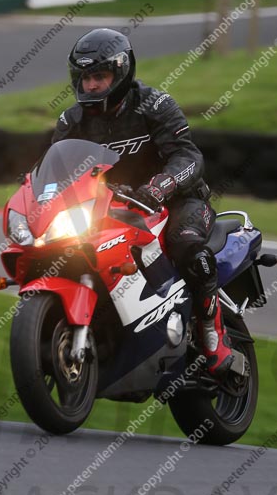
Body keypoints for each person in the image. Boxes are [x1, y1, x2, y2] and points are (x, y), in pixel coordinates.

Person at [51, 28, 234, 378]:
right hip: (109, 211)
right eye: (85, 77)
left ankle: (213, 335)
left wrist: (161, 185)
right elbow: (54, 170)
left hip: (177, 203)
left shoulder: (155, 105)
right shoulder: (71, 121)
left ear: (121, 72)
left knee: (188, 248)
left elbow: (189, 157)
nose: (91, 86)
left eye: (99, 76)